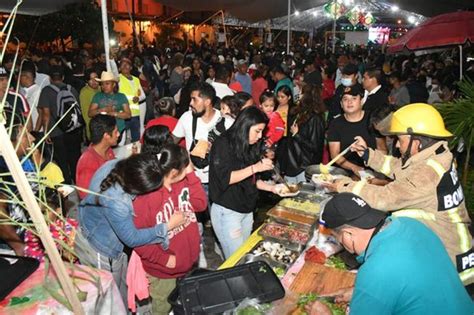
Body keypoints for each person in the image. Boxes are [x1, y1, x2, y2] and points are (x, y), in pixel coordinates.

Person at [325, 103, 474, 285]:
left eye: (400, 140)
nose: (396, 145)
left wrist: (345, 185)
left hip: (452, 267)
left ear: (416, 142)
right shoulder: (434, 155)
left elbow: (386, 198)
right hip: (441, 252)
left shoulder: (428, 173)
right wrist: (368, 155)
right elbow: (399, 168)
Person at [314, 193, 473, 315]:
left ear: (348, 234)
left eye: (337, 238)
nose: (341, 244)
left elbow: (385, 274)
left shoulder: (375, 270)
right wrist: (362, 293)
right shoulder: (410, 224)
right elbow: (407, 279)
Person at [75, 153, 186, 303]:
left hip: (93, 225)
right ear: (137, 189)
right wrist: (166, 227)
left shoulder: (118, 165)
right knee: (109, 296)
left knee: (120, 286)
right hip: (100, 248)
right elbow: (131, 238)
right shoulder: (117, 202)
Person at [132, 144, 207, 314]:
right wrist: (165, 260)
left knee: (184, 302)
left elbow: (201, 204)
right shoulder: (146, 198)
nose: (188, 170)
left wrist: (190, 173)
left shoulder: (183, 183)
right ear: (174, 172)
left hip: (187, 264)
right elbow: (137, 240)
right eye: (185, 167)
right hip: (163, 271)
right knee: (163, 307)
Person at [209, 106, 281, 259]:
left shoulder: (249, 144)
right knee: (236, 260)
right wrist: (256, 167)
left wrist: (273, 188)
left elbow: (251, 180)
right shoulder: (223, 144)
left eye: (262, 131)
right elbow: (226, 178)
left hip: (246, 209)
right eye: (257, 131)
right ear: (245, 125)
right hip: (227, 211)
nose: (260, 136)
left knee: (245, 254)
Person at [327, 85, 385, 175]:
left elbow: (382, 149)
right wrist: (354, 168)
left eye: (354, 98)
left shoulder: (372, 119)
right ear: (341, 105)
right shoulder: (336, 124)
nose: (349, 102)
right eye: (345, 99)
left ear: (361, 101)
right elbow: (335, 154)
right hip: (345, 173)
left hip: (372, 171)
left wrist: (379, 170)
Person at [37, 65, 81, 184]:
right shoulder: (72, 89)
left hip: (56, 132)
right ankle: (77, 181)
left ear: (50, 78)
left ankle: (67, 183)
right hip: (73, 130)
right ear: (62, 77)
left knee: (62, 159)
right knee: (74, 158)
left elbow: (45, 114)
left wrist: (46, 133)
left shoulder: (46, 91)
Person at [278, 84, 326, 183]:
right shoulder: (297, 112)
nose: (299, 95)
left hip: (304, 166)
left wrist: (297, 135)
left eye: (301, 93)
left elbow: (315, 146)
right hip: (291, 162)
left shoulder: (315, 118)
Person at [76, 115, 118, 199]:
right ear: (106, 136)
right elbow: (87, 198)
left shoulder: (107, 150)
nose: (118, 134)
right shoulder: (87, 164)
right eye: (116, 132)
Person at [88, 71, 131, 145]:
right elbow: (90, 113)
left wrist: (113, 113)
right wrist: (102, 110)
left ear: (114, 84)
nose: (104, 86)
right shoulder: (98, 96)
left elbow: (128, 115)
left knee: (119, 154)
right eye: (102, 84)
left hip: (119, 130)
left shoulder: (121, 96)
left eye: (107, 83)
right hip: (104, 133)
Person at [118, 57, 146, 141]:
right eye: (122, 65)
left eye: (127, 65)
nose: (125, 67)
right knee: (121, 139)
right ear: (119, 68)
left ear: (131, 67)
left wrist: (138, 98)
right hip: (123, 113)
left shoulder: (136, 80)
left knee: (136, 138)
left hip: (135, 114)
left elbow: (142, 95)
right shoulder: (118, 79)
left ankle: (135, 153)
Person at [79, 69, 100, 141]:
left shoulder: (102, 89)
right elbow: (86, 115)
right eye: (91, 79)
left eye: (96, 78)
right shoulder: (84, 92)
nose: (94, 81)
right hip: (94, 129)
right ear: (87, 80)